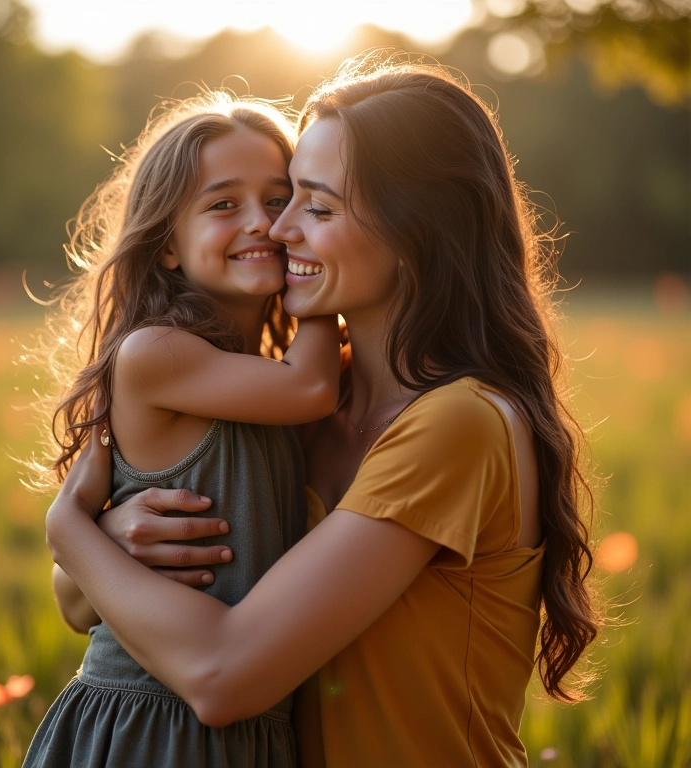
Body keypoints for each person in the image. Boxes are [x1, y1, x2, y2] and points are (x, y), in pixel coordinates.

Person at [45, 55, 601, 767]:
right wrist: (114, 535)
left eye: (315, 205)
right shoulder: (304, 411)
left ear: (415, 231)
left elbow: (223, 676)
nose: (277, 231)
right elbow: (79, 605)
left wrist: (70, 529)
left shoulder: (457, 424)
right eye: (288, 202)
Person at [23, 92, 340, 767]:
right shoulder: (155, 354)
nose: (262, 222)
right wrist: (320, 267)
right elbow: (77, 609)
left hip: (249, 724)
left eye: (281, 200)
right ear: (167, 244)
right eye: (224, 204)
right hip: (150, 725)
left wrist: (86, 535)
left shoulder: (255, 379)